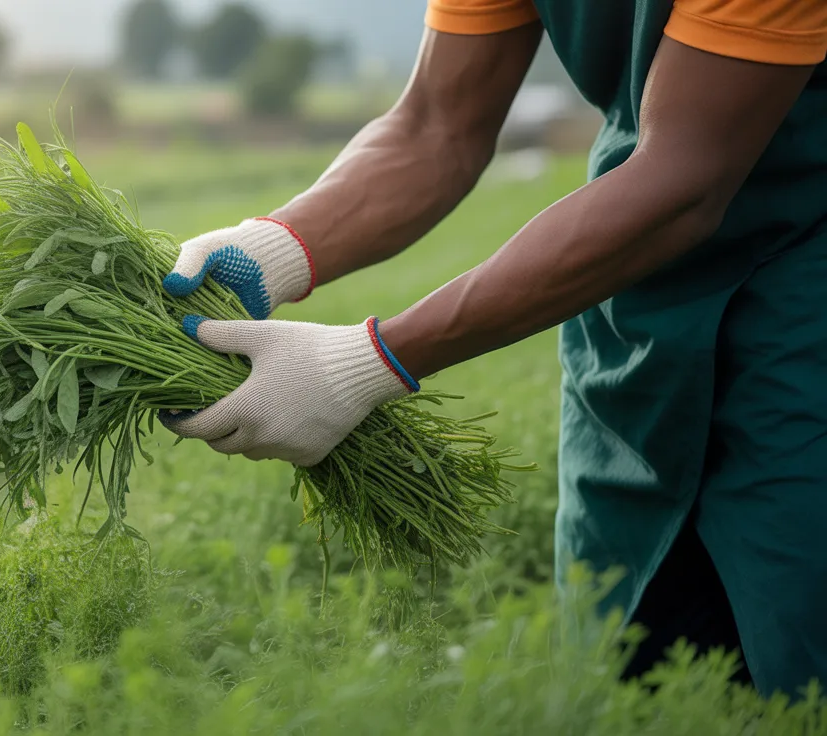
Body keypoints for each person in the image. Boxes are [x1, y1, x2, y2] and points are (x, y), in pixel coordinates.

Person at [158, 0, 827, 699]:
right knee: (621, 668)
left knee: (801, 647)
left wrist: (361, 365)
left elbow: (684, 181)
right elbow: (435, 126)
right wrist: (273, 248)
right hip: (626, 280)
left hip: (798, 282)